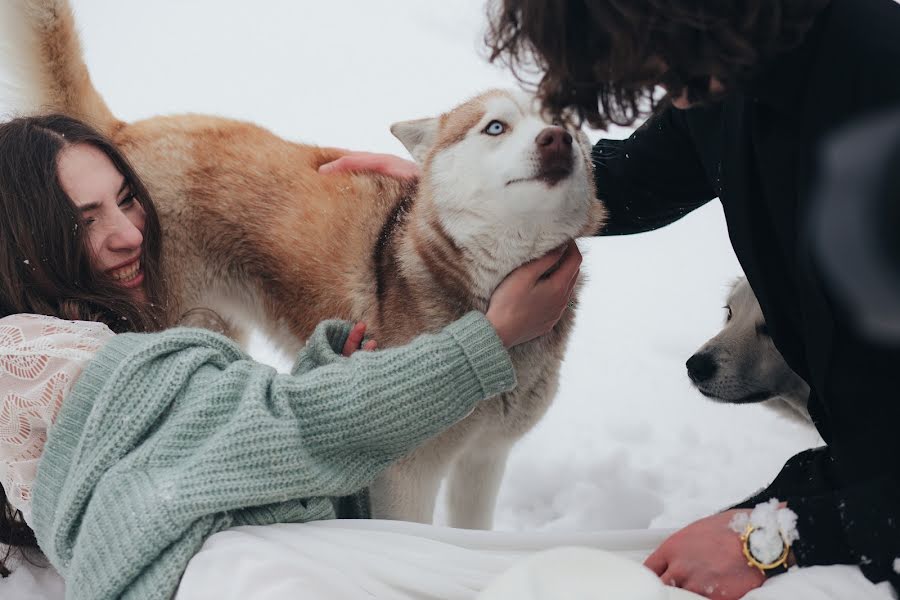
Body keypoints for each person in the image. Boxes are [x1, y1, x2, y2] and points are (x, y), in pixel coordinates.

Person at [322, 0, 900, 598]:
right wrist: (462, 183)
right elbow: (635, 177)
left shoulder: (880, 82)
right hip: (852, 480)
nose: (654, 82)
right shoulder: (723, 76)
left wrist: (777, 540)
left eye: (654, 54)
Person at [0, 114, 582, 599]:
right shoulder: (38, 361)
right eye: (86, 219)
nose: (130, 233)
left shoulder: (75, 344)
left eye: (127, 200)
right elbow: (289, 427)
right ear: (22, 239)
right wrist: (490, 337)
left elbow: (218, 450)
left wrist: (318, 381)